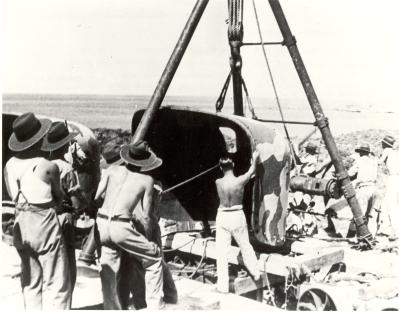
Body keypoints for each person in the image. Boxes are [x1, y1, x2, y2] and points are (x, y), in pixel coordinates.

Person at [3, 112, 72, 309]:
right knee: (58, 283)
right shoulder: (47, 166)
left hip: (21, 224)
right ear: (38, 138)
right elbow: (59, 198)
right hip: (44, 224)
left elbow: (12, 193)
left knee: (30, 281)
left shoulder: (9, 164)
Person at [94, 140, 164, 309]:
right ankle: (156, 307)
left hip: (102, 223)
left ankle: (111, 308)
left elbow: (97, 198)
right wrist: (148, 240)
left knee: (109, 267)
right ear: (146, 162)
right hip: (121, 226)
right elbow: (147, 217)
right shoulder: (147, 179)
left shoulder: (111, 170)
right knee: (154, 258)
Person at [41, 121, 80, 292]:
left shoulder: (42, 166)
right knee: (68, 263)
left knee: (50, 261)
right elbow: (76, 203)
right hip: (64, 216)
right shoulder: (67, 168)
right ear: (66, 144)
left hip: (45, 216)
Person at [215, 151, 261, 293]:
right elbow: (252, 170)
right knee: (245, 245)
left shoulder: (218, 182)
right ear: (233, 165)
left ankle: (222, 287)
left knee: (221, 253)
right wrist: (255, 157)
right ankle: (256, 273)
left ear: (220, 167)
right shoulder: (240, 181)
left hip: (222, 215)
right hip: (236, 215)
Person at [347, 143, 379, 237]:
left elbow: (350, 173)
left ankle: (354, 237)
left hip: (364, 188)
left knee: (359, 215)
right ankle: (371, 236)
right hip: (374, 188)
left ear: (360, 152)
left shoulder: (359, 160)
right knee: (370, 215)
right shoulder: (373, 161)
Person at [377, 135, 399, 240]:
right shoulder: (396, 152)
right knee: (389, 203)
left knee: (390, 204)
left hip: (393, 178)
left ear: (385, 144)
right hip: (397, 178)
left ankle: (395, 231)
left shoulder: (387, 150)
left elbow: (379, 162)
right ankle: (385, 229)